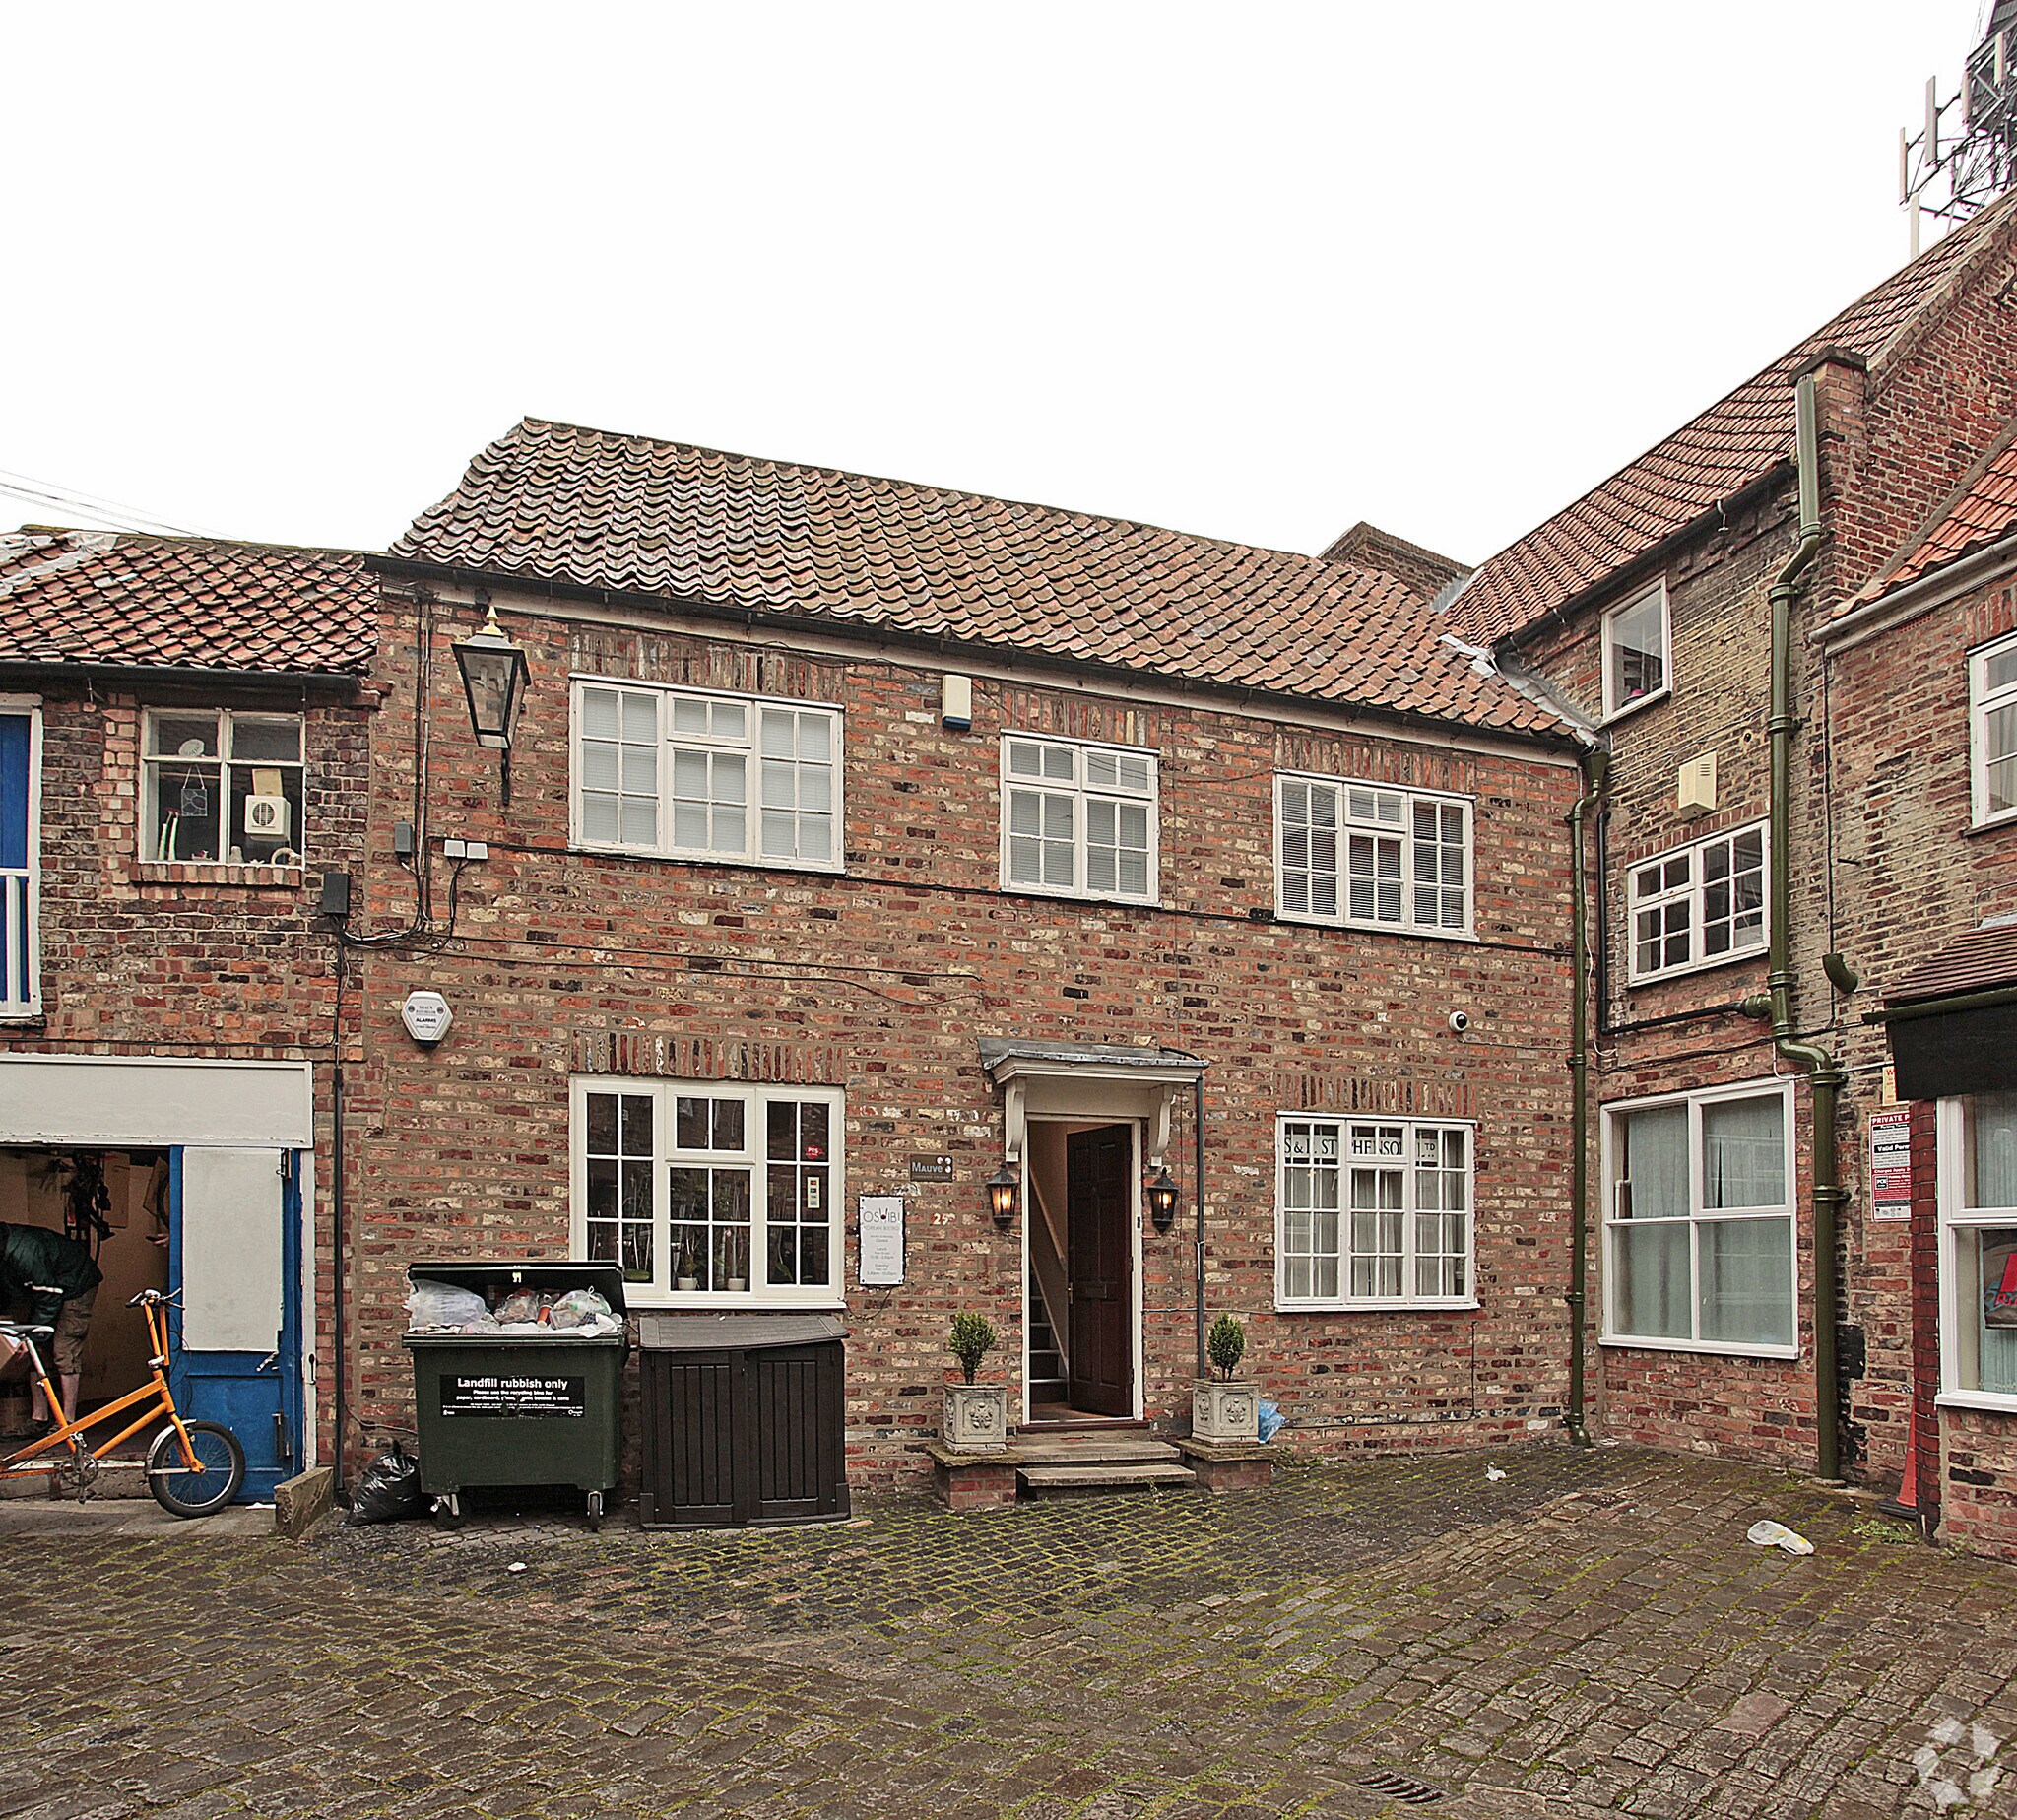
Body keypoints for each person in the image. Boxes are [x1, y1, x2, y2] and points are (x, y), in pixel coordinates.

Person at [0, 1222, 102, 1436]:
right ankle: (39, 1419)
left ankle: (68, 1423)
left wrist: (33, 1337)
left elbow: (50, 1297)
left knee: (64, 1350)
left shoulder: (24, 1255)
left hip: (76, 1284)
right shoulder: (7, 1253)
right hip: (45, 1288)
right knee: (33, 1352)